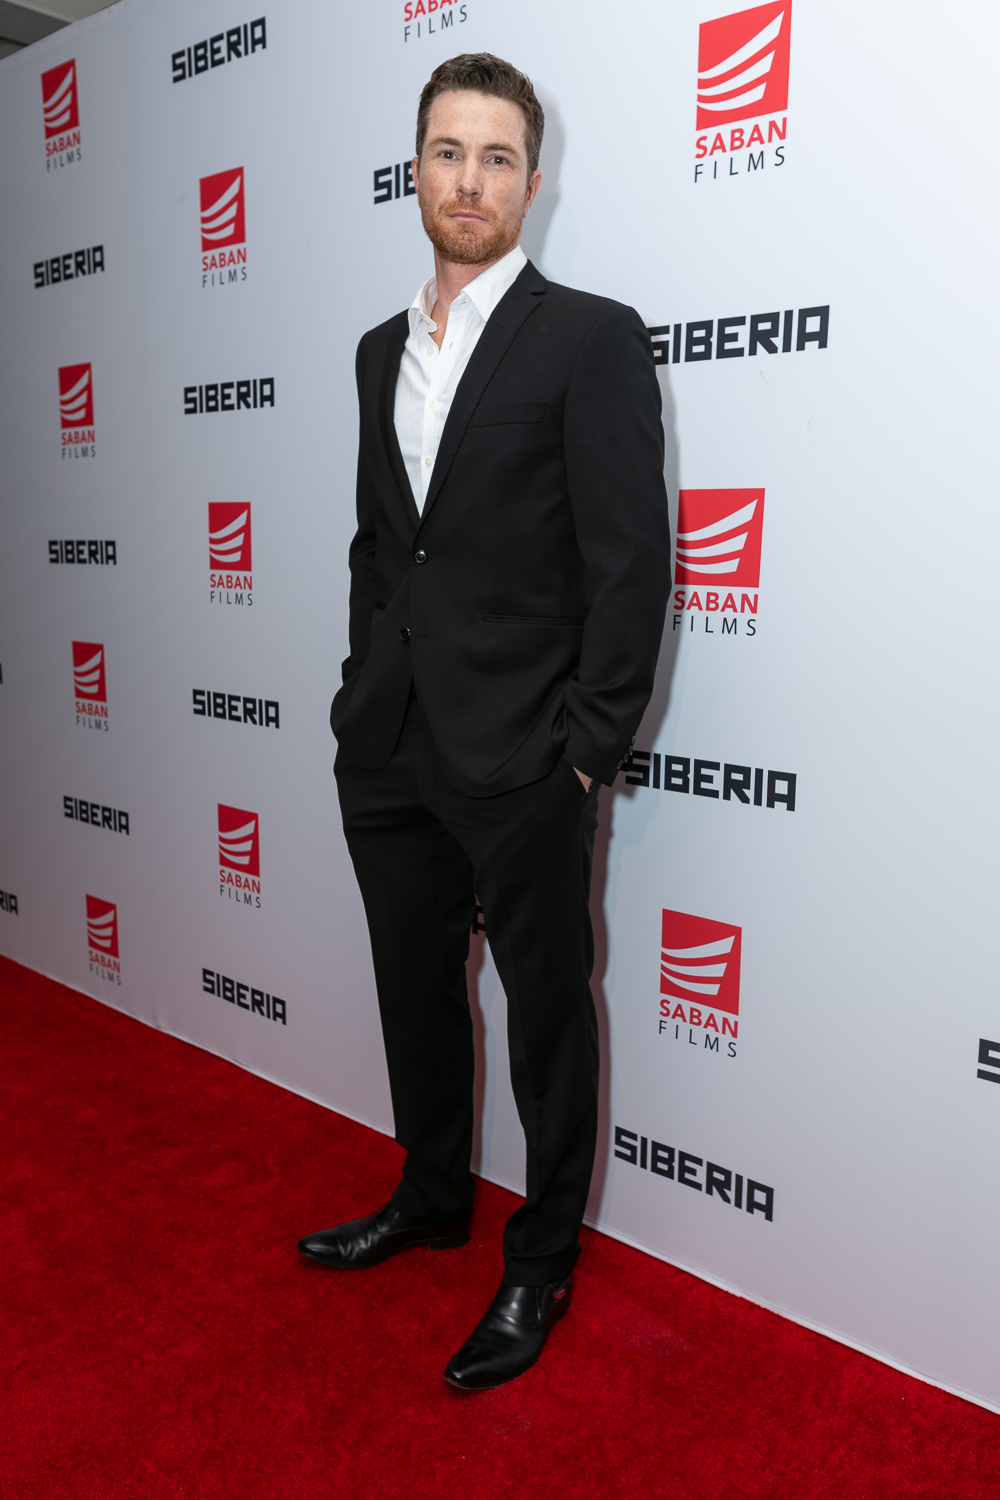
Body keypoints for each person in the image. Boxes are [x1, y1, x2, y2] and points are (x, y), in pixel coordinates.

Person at [299, 53, 670, 1391]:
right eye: (449, 153)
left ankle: (543, 1259)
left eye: (497, 158)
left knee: (547, 1019)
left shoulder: (591, 338)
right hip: (390, 742)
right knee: (414, 993)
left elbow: (632, 565)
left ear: (533, 182)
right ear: (416, 170)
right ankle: (433, 1193)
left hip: (526, 760)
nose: (471, 180)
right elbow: (381, 546)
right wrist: (360, 689)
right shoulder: (375, 352)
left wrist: (586, 756)